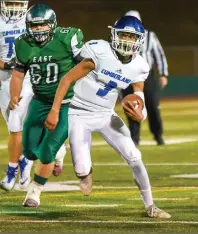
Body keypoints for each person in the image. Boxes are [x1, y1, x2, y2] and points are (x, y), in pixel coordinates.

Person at [45, 16, 171, 218]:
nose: (127, 41)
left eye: (132, 37)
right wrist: (54, 110)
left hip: (105, 115)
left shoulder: (139, 65)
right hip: (79, 113)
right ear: (114, 35)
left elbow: (138, 93)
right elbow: (67, 79)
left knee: (135, 157)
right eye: (123, 35)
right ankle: (84, 173)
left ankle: (151, 206)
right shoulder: (99, 52)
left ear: (139, 40)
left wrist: (141, 113)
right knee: (82, 170)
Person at [9, 4, 84, 207]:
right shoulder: (23, 43)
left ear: (52, 24)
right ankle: (60, 152)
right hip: (40, 100)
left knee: (45, 152)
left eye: (42, 25)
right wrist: (14, 94)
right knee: (30, 151)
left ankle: (34, 192)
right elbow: (18, 72)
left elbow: (86, 65)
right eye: (35, 26)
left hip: (69, 102)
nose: (39, 29)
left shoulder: (68, 37)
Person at [0, 0, 34, 191]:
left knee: (15, 122)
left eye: (18, 3)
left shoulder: (32, 20)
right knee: (13, 128)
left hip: (26, 79)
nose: (14, 8)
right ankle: (24, 160)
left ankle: (12, 173)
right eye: (10, 3)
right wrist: (3, 66)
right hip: (4, 81)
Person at [121, 10, 168, 146]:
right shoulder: (121, 36)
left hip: (147, 76)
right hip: (127, 76)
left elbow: (159, 54)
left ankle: (158, 135)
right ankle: (134, 138)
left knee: (153, 106)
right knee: (131, 106)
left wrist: (163, 73)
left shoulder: (149, 36)